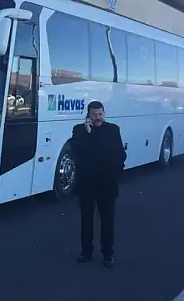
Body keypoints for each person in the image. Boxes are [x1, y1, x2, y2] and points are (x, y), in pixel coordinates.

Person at [71, 101, 127, 268]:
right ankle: (86, 252)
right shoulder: (79, 130)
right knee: (86, 220)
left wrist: (117, 170)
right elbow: (77, 151)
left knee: (107, 220)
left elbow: (120, 153)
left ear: (104, 114)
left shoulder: (113, 129)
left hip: (107, 182)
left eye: (100, 114)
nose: (98, 118)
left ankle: (108, 254)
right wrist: (88, 133)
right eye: (94, 115)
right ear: (88, 115)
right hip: (87, 183)